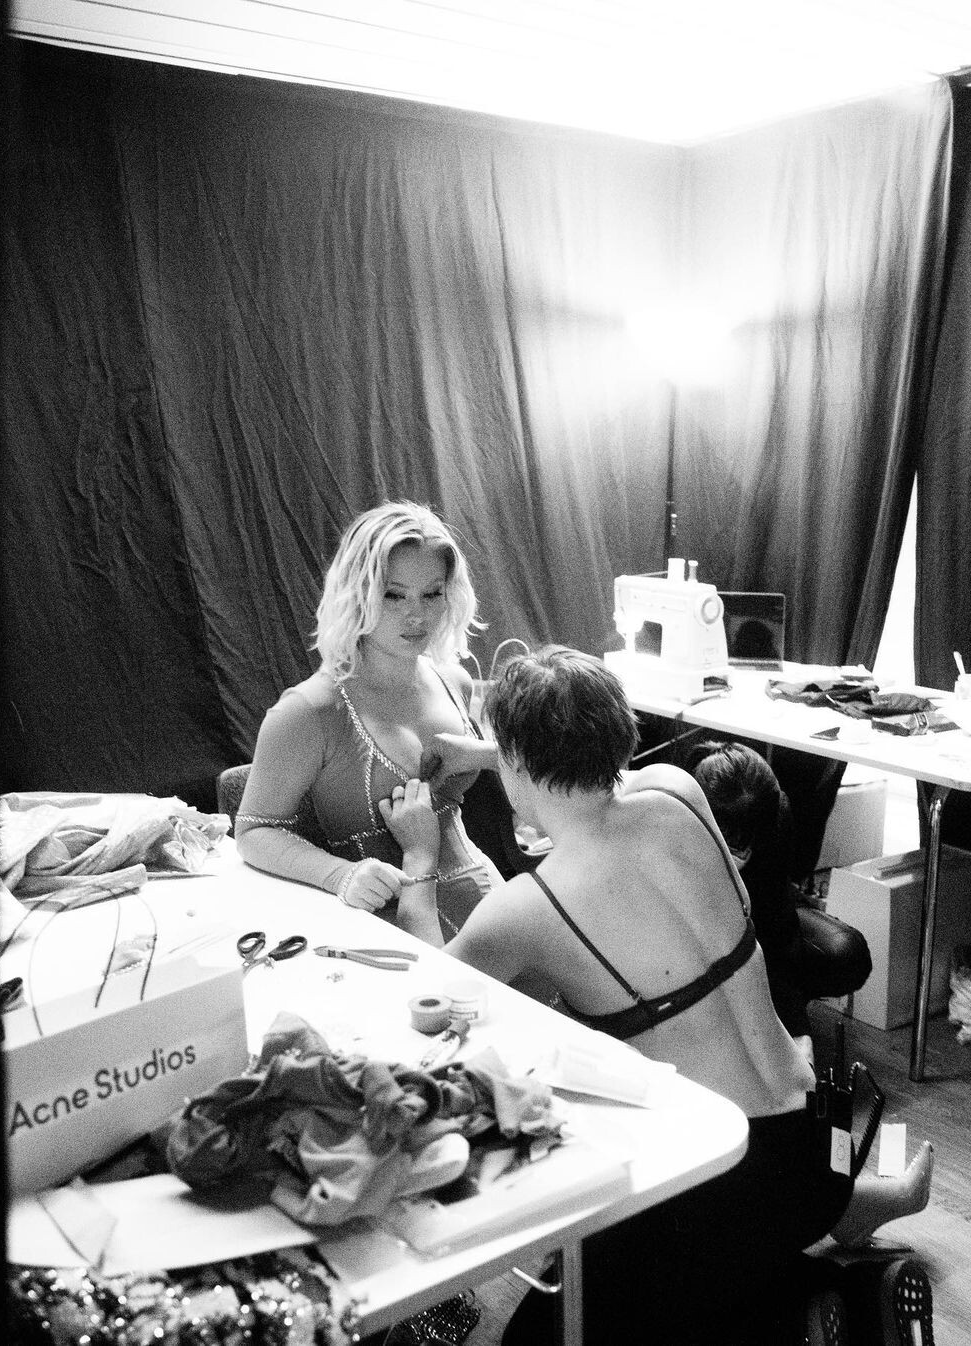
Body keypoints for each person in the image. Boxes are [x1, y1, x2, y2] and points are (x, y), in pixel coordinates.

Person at [383, 646, 934, 1343]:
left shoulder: (526, 908)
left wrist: (419, 859)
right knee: (717, 1252)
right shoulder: (677, 792)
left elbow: (427, 998)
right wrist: (486, 752)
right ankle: (815, 1263)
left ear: (517, 765)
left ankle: (834, 1304)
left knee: (543, 1334)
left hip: (727, 1174)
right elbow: (584, 769)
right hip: (821, 1134)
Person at [235, 501, 499, 937]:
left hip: (488, 900)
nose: (417, 615)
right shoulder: (308, 712)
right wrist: (341, 875)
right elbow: (253, 831)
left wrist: (484, 754)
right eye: (393, 595)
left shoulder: (455, 681)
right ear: (357, 592)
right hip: (390, 925)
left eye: (432, 593)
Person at [686, 740, 873, 1050]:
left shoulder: (774, 814)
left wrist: (798, 1030)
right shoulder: (666, 812)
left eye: (749, 846)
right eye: (733, 844)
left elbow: (775, 929)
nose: (742, 855)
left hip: (756, 911)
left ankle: (774, 1016)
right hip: (682, 930)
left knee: (846, 954)